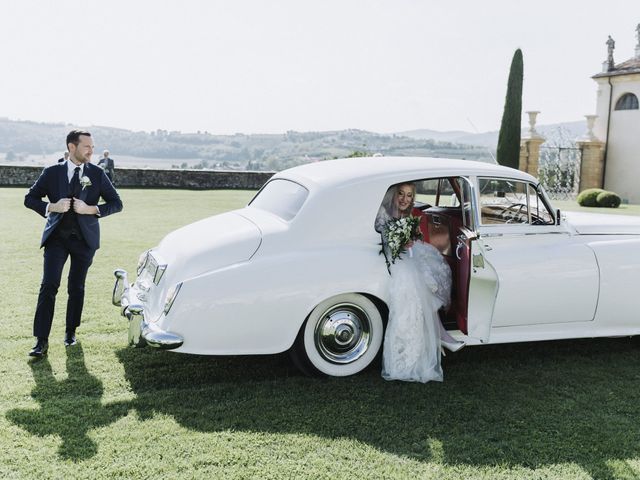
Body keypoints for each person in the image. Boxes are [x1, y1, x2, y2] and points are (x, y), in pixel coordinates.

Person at [24, 130, 123, 357]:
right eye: (87, 146)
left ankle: (70, 332)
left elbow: (117, 203)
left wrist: (91, 209)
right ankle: (41, 341)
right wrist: (51, 207)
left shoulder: (97, 174)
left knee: (76, 288)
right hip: (56, 239)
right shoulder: (52, 172)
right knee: (49, 285)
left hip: (84, 241)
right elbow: (29, 198)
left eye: (92, 147)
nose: (91, 151)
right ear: (72, 147)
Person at [375, 182, 463, 383]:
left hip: (407, 253)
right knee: (415, 281)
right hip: (391, 258)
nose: (405, 199)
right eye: (400, 194)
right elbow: (383, 237)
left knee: (435, 265)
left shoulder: (407, 214)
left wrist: (412, 238)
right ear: (392, 195)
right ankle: (438, 335)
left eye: (408, 195)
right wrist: (397, 240)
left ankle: (439, 333)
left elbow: (411, 238)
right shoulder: (383, 213)